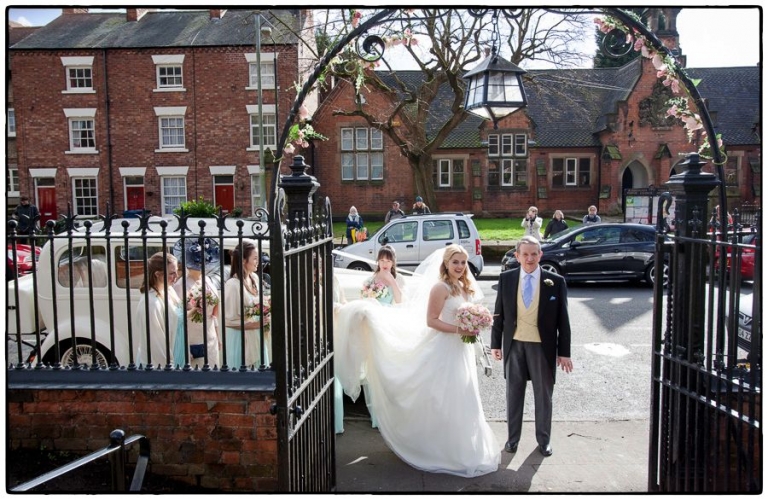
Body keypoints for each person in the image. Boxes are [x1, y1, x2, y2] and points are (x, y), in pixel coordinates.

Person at [335, 244, 499, 477]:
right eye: (455, 262)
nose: (460, 267)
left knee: (463, 395)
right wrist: (460, 328)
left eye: (463, 262)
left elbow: (466, 312)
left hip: (461, 348)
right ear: (446, 264)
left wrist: (474, 323)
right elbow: (431, 321)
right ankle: (436, 447)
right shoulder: (440, 288)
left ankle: (462, 446)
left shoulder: (465, 286)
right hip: (443, 347)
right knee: (441, 397)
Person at [490, 235, 573, 457]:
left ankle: (544, 440)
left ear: (540, 255)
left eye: (534, 254)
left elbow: (563, 320)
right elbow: (499, 314)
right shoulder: (506, 279)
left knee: (543, 395)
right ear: (517, 256)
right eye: (525, 254)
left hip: (542, 348)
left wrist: (564, 353)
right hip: (514, 344)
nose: (529, 258)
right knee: (514, 394)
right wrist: (495, 344)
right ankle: (512, 439)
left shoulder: (555, 281)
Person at [172, 238, 221, 369]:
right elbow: (176, 319)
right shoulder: (180, 286)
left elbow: (214, 314)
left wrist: (217, 336)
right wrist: (184, 347)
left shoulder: (208, 281)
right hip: (192, 339)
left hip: (211, 338)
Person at [224, 240, 268, 369]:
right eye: (255, 258)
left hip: (257, 335)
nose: (258, 261)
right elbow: (229, 320)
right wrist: (254, 324)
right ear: (243, 260)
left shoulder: (254, 278)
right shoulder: (232, 284)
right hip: (240, 338)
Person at [135, 252, 181, 367]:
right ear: (157, 274)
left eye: (177, 271)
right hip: (159, 364)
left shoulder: (169, 291)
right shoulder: (151, 303)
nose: (176, 276)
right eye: (172, 273)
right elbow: (156, 344)